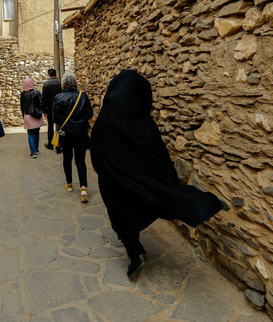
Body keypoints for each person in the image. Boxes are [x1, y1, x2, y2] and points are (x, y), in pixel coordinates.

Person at [90, 70, 223, 279]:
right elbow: (157, 155)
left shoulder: (106, 120)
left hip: (113, 182)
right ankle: (199, 202)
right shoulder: (144, 124)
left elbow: (96, 151)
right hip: (142, 182)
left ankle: (136, 253)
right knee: (153, 197)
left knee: (121, 214)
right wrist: (164, 181)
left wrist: (114, 171)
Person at [53, 73, 93, 203]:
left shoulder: (58, 97)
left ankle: (69, 184)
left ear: (64, 83)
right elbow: (89, 114)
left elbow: (55, 118)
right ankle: (83, 188)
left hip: (65, 132)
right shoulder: (82, 96)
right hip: (80, 132)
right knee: (80, 160)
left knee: (67, 157)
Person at [20, 77, 45, 158]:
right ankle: (36, 149)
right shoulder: (37, 93)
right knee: (36, 132)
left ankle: (33, 151)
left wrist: (23, 115)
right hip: (36, 115)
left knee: (30, 133)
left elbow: (22, 106)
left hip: (27, 115)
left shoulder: (23, 94)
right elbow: (41, 103)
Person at [42, 68, 62, 152]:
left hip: (50, 108)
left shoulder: (46, 84)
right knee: (59, 126)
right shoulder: (60, 83)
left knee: (50, 126)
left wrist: (44, 111)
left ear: (49, 75)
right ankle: (59, 146)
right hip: (60, 107)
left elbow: (44, 99)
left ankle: (50, 143)